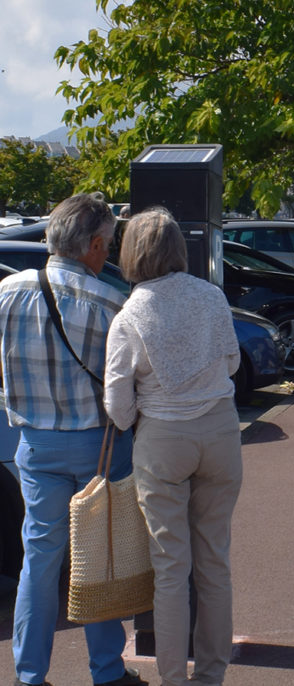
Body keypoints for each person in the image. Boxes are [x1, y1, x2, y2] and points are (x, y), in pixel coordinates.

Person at [0, 193, 147, 686]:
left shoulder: (7, 291)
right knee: (98, 555)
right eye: (106, 245)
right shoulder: (111, 302)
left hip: (34, 446)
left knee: (38, 562)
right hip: (99, 446)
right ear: (95, 244)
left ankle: (29, 674)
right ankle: (106, 671)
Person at [104, 208, 243, 686]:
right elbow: (231, 363)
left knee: (170, 569)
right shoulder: (211, 296)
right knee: (215, 563)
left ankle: (173, 679)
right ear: (180, 250)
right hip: (221, 434)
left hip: (163, 440)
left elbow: (118, 406)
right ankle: (211, 676)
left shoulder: (130, 315)